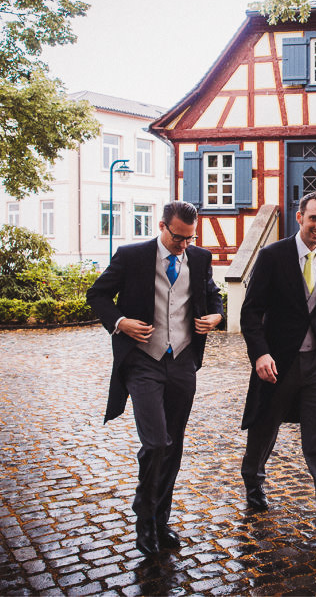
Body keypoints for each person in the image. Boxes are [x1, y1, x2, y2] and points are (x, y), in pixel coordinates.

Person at [86, 201, 223, 555]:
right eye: (178, 238)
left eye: (190, 239)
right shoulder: (132, 256)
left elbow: (212, 296)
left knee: (173, 444)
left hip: (181, 361)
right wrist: (120, 322)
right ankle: (144, 518)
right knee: (157, 442)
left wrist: (216, 317)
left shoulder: (201, 258)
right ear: (162, 226)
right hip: (143, 361)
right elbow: (97, 294)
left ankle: (161, 520)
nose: (183, 245)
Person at [239, 191, 316, 549]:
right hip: (277, 363)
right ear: (299, 217)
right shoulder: (272, 257)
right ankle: (253, 479)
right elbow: (250, 312)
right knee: (264, 429)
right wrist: (260, 354)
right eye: (314, 219)